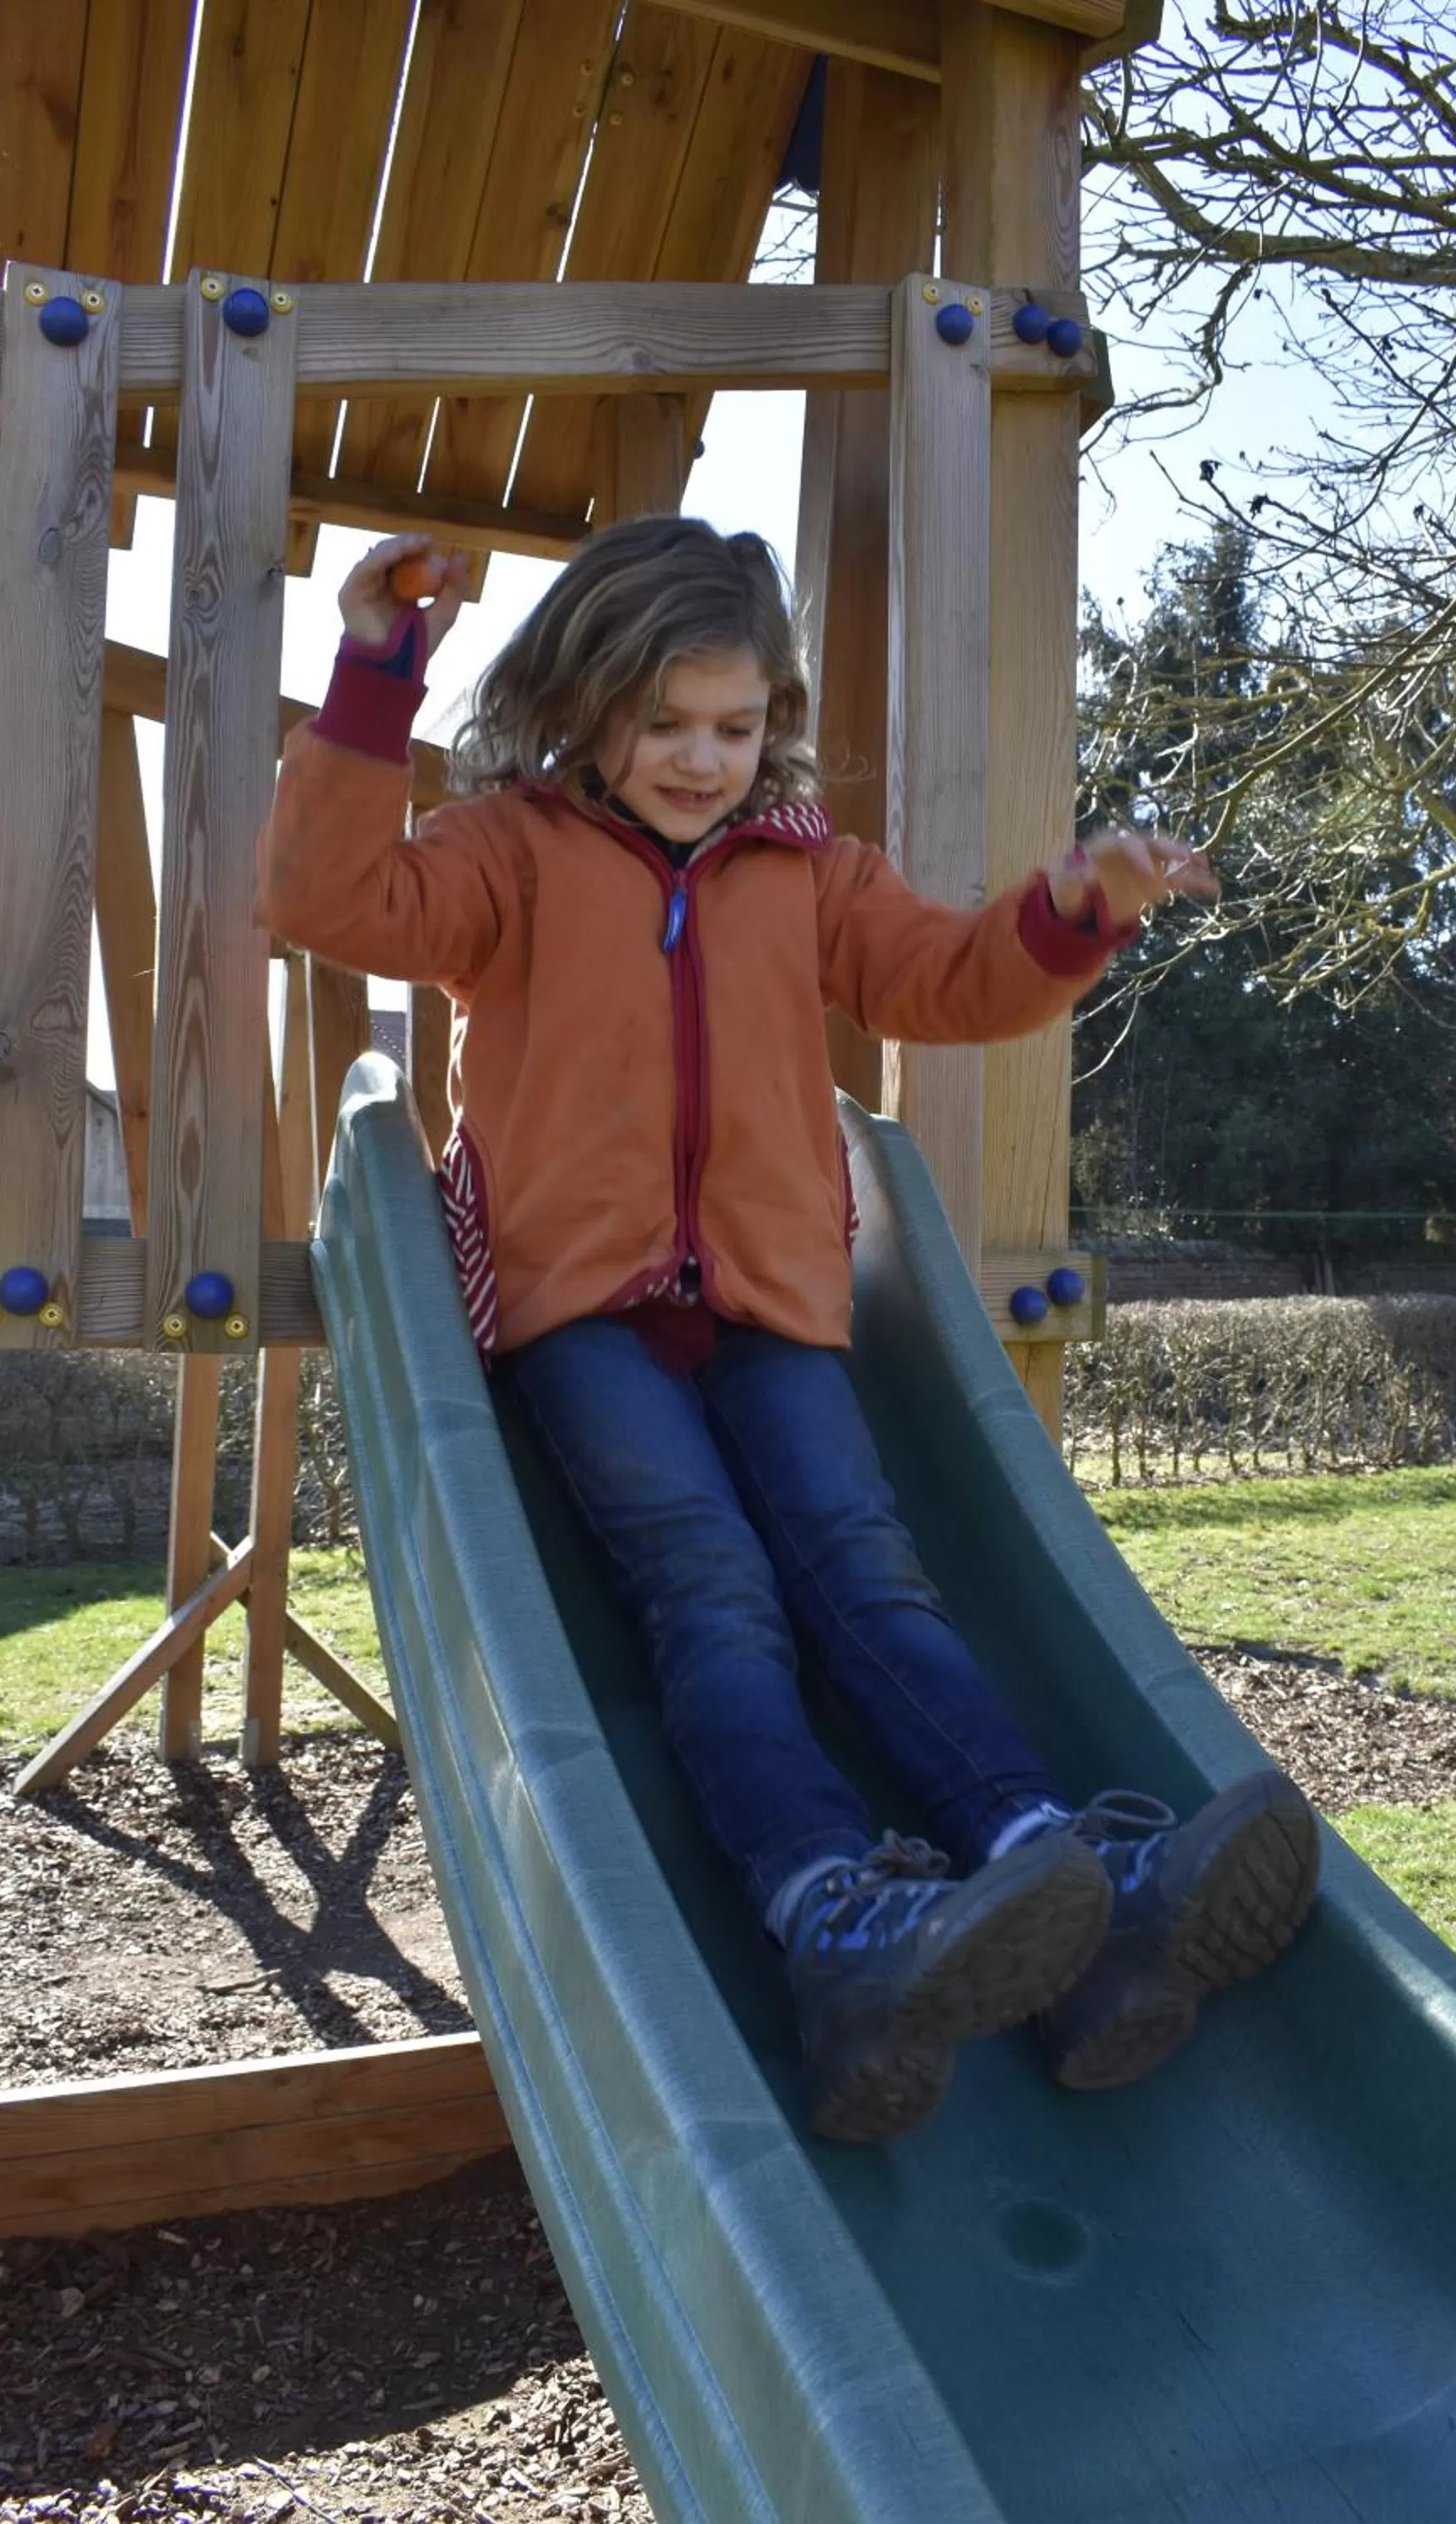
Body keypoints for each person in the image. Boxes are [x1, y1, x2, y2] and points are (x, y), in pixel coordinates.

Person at [257, 517, 1320, 2145]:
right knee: (715, 1587)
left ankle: (1076, 1886)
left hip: (772, 1300)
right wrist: (374, 670)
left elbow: (950, 980)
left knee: (868, 1568)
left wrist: (1074, 906)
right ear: (586, 706)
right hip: (584, 1315)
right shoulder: (509, 851)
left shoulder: (808, 871)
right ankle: (835, 1917)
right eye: (665, 723)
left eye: (735, 728)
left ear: (777, 724)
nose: (701, 759)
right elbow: (327, 895)